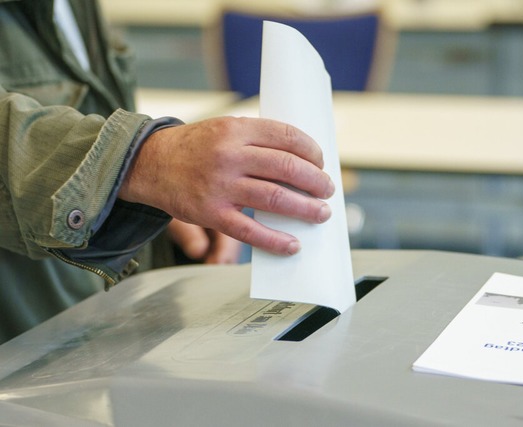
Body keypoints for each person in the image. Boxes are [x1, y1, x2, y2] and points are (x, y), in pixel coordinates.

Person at [0, 0, 334, 344]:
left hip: (93, 321)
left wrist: (143, 202)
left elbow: (91, 114)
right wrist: (145, 161)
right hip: (25, 346)